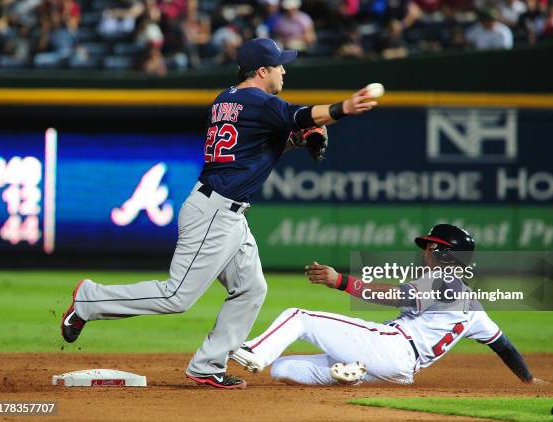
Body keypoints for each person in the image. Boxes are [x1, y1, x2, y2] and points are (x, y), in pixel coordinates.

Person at [60, 37, 378, 389]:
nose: (284, 71)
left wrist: (298, 139)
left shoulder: (226, 99)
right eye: (278, 66)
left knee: (251, 289)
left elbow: (254, 149)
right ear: (262, 71)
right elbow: (302, 115)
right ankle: (89, 299)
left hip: (227, 212)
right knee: (175, 296)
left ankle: (207, 365)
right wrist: (343, 108)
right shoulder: (262, 101)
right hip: (214, 212)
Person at [232, 224, 541, 386]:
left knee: (299, 317)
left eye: (432, 247)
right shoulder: (473, 305)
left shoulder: (444, 280)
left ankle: (252, 352)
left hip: (393, 347)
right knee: (283, 369)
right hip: (399, 371)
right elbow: (504, 346)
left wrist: (340, 281)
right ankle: (350, 377)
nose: (425, 252)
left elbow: (395, 295)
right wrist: (526, 379)